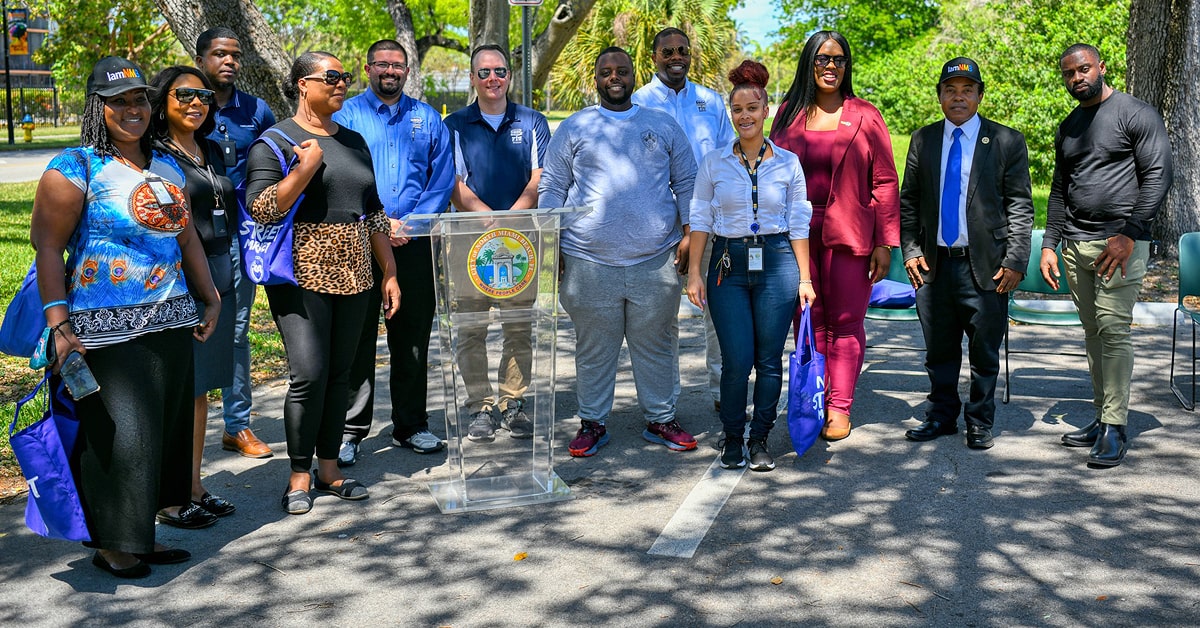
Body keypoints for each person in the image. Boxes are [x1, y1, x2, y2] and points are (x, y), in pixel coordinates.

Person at [31, 56, 220, 577]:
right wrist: (59, 324)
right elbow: (48, 248)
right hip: (104, 331)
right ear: (99, 108)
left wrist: (210, 296)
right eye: (120, 101)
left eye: (140, 99)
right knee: (121, 437)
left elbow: (185, 236)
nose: (133, 109)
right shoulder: (75, 166)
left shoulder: (164, 164)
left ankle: (145, 536)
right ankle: (114, 544)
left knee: (165, 433)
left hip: (171, 320)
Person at [245, 52, 400, 514]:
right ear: (301, 84)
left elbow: (372, 212)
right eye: (331, 77)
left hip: (356, 270)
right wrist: (305, 169)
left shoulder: (353, 141)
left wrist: (389, 270)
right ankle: (297, 475)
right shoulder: (274, 142)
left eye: (345, 77)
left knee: (341, 376)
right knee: (308, 375)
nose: (341, 84)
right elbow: (261, 207)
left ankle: (329, 469)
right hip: (301, 271)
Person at [538, 46, 698, 458]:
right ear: (596, 79)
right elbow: (552, 187)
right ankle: (592, 422)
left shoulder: (660, 125)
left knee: (656, 343)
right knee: (594, 347)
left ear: (632, 76)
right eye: (606, 72)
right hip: (588, 260)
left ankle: (661, 418)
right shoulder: (575, 127)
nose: (614, 77)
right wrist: (550, 241)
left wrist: (688, 234)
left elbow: (687, 183)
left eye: (622, 71)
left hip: (655, 258)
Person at [1041, 43, 1173, 467]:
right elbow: (1060, 190)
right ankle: (1102, 416)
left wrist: (1130, 234)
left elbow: (1159, 174)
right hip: (1077, 244)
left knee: (1114, 330)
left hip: (1121, 245)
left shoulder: (1136, 113)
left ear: (1101, 67)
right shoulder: (1068, 126)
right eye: (1069, 74)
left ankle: (1116, 427)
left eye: (1083, 69)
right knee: (1094, 333)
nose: (1077, 78)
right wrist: (1049, 243)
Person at [769, 30, 899, 441]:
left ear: (847, 65)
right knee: (808, 319)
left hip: (850, 232)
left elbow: (884, 182)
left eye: (839, 59)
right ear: (809, 63)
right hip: (796, 235)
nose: (831, 66)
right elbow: (772, 173)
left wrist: (884, 242)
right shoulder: (788, 113)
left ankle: (839, 407)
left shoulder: (865, 114)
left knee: (844, 323)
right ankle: (813, 399)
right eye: (823, 59)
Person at [899, 57, 1034, 449]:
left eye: (967, 90)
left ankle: (979, 419)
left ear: (979, 95)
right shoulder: (924, 140)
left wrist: (1015, 260)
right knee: (938, 350)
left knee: (984, 350)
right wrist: (909, 250)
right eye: (950, 90)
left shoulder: (1006, 141)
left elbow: (1021, 206)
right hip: (934, 265)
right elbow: (909, 201)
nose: (958, 97)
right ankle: (941, 416)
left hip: (988, 267)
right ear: (940, 96)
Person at [686, 60, 815, 471]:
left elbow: (799, 222)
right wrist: (693, 273)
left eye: (752, 108)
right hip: (728, 264)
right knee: (736, 359)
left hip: (777, 262)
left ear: (766, 111)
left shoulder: (788, 163)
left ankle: (759, 439)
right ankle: (732, 438)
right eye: (737, 109)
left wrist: (805, 278)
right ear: (731, 114)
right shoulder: (714, 162)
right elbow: (701, 219)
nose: (745, 116)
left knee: (769, 359)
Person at [333, 39, 454, 464]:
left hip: (414, 243)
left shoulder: (427, 118)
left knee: (413, 337)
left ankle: (411, 425)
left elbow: (442, 177)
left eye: (397, 65)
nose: (390, 70)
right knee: (357, 337)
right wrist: (378, 223)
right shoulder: (345, 116)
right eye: (382, 63)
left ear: (406, 70)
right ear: (367, 68)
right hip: (358, 241)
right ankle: (350, 430)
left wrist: (412, 223)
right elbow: (338, 175)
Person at [443, 44, 551, 441]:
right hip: (468, 240)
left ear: (510, 76)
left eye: (500, 71)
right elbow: (453, 184)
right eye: (484, 72)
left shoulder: (532, 121)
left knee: (518, 327)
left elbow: (541, 177)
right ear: (472, 78)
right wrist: (490, 219)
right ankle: (479, 406)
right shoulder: (454, 124)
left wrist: (511, 219)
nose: (493, 79)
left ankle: (513, 402)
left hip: (522, 240)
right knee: (471, 328)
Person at [149, 65, 239, 527]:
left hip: (219, 275)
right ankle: (167, 497)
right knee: (177, 390)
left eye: (202, 95)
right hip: (176, 283)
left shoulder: (209, 149)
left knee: (201, 387)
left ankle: (192, 485)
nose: (195, 102)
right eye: (183, 94)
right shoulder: (152, 155)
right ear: (162, 101)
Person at [633, 27, 735, 414]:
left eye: (683, 50)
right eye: (668, 51)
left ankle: (722, 392)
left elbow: (727, 160)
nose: (677, 57)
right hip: (657, 229)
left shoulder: (710, 101)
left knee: (718, 315)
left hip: (710, 224)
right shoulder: (639, 102)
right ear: (654, 57)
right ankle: (664, 402)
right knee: (659, 321)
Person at [194, 26, 277, 459]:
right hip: (189, 235)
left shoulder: (256, 110)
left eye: (236, 55)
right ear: (202, 57)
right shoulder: (185, 102)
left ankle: (237, 425)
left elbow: (276, 159)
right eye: (220, 54)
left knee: (237, 328)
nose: (229, 62)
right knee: (188, 327)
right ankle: (181, 424)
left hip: (240, 235)